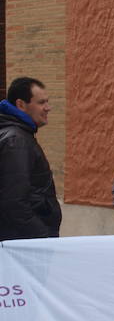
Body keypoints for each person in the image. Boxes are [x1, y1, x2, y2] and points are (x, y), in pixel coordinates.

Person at [0, 77, 61, 241]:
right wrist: (42, 236)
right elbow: (13, 202)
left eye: (47, 102)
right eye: (41, 103)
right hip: (26, 242)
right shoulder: (16, 140)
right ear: (21, 105)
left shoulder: (18, 135)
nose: (48, 108)